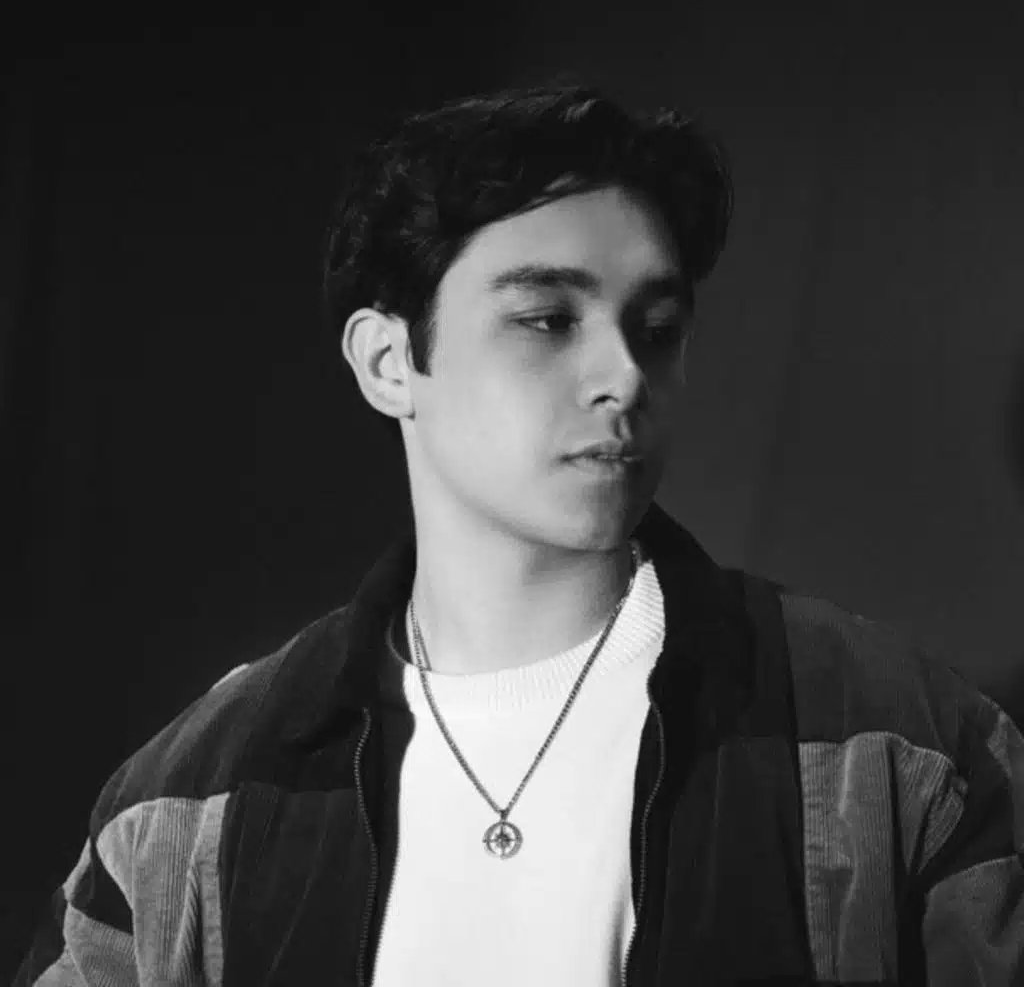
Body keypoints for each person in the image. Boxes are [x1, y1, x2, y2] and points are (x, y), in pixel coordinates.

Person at [15, 83, 1024, 986]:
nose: (623, 375)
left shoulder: (901, 747)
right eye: (547, 318)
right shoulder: (191, 801)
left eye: (657, 328)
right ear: (388, 363)